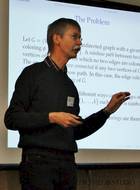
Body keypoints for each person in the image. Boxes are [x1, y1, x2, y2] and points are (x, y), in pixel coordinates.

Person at [4, 18, 130, 190]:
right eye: (75, 37)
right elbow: (11, 118)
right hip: (38, 164)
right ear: (57, 38)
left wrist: (107, 111)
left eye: (80, 38)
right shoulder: (32, 74)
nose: (80, 43)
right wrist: (52, 117)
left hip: (67, 165)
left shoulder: (70, 86)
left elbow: (76, 131)